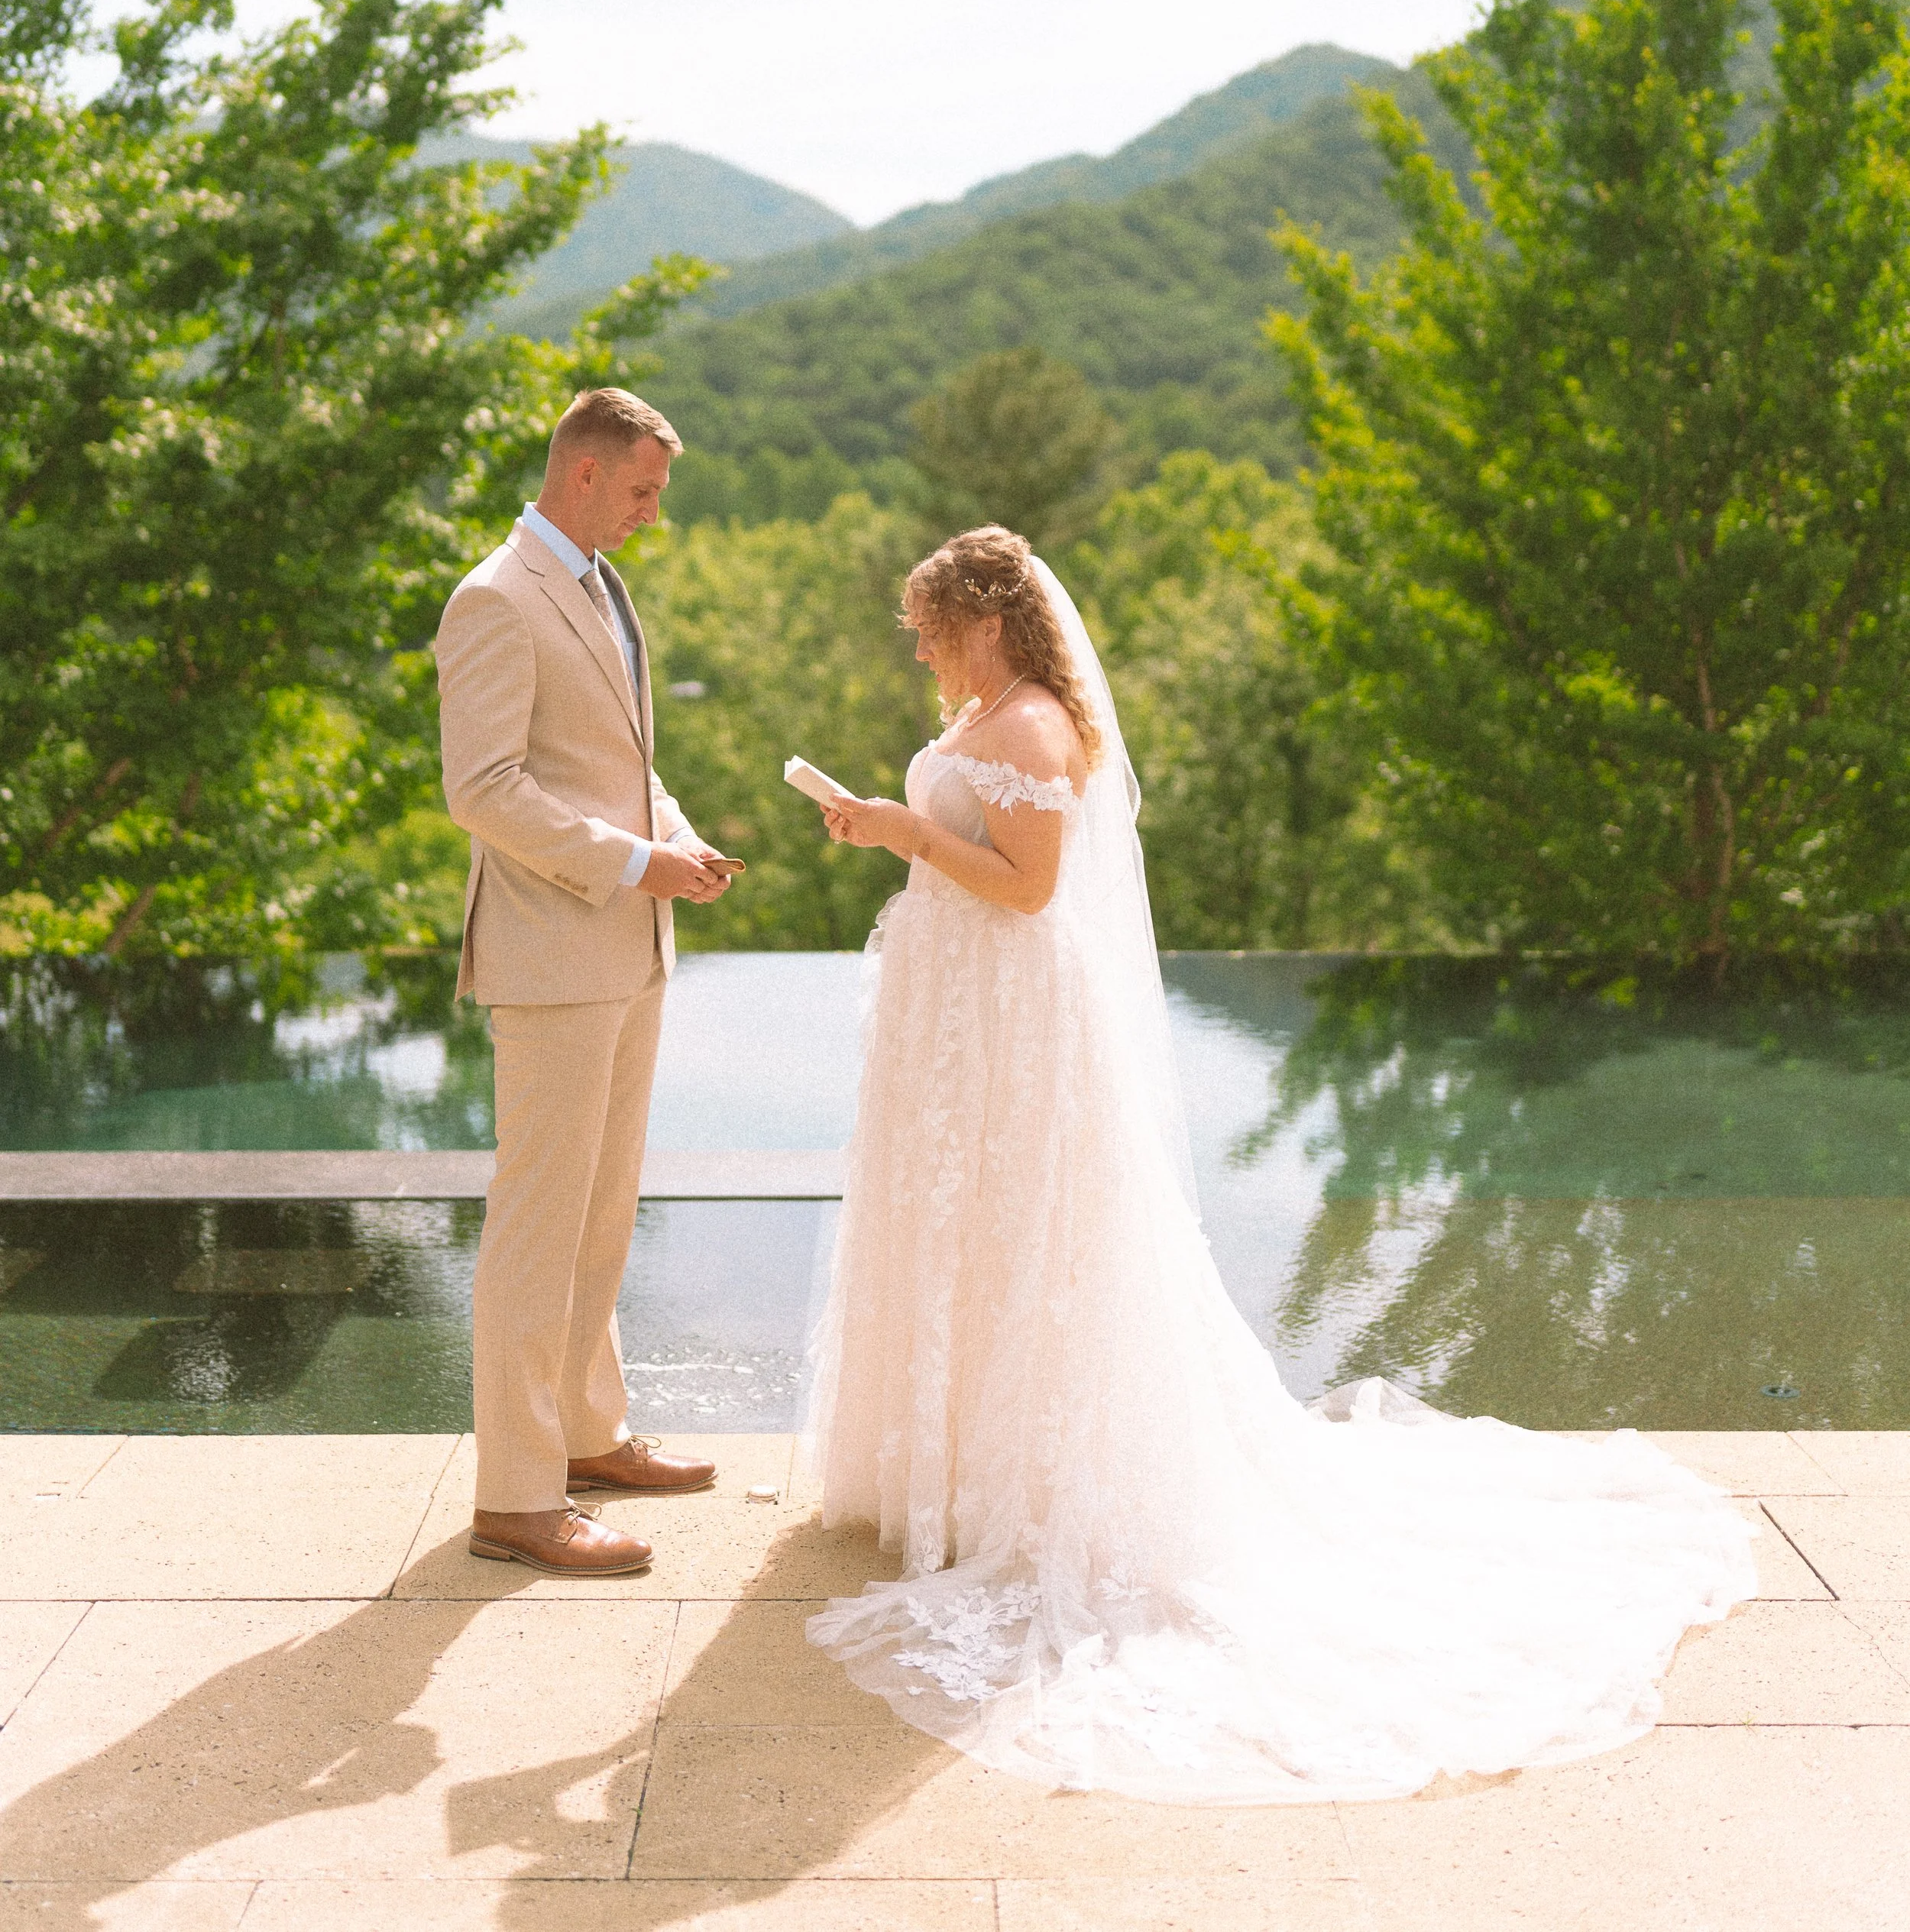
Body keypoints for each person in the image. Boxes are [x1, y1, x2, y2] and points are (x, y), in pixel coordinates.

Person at [803, 523, 1757, 1801]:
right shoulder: (988, 712)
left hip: (1015, 1023)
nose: (919, 650)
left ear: (985, 621)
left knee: (1031, 1242)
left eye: (930, 629)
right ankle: (959, 1469)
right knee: (963, 1235)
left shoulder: (1031, 726)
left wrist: (901, 833)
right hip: (964, 1019)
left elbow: (1028, 891)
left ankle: (1028, 1484)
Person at [436, 387, 739, 1575]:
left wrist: (676, 840)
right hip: (553, 955)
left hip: (630, 944)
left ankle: (587, 1436)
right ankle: (517, 1499)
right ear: (584, 475)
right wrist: (629, 862)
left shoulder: (601, 585)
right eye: (644, 491)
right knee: (537, 1229)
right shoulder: (495, 599)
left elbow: (616, 763)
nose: (653, 513)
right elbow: (484, 789)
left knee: (602, 1216)